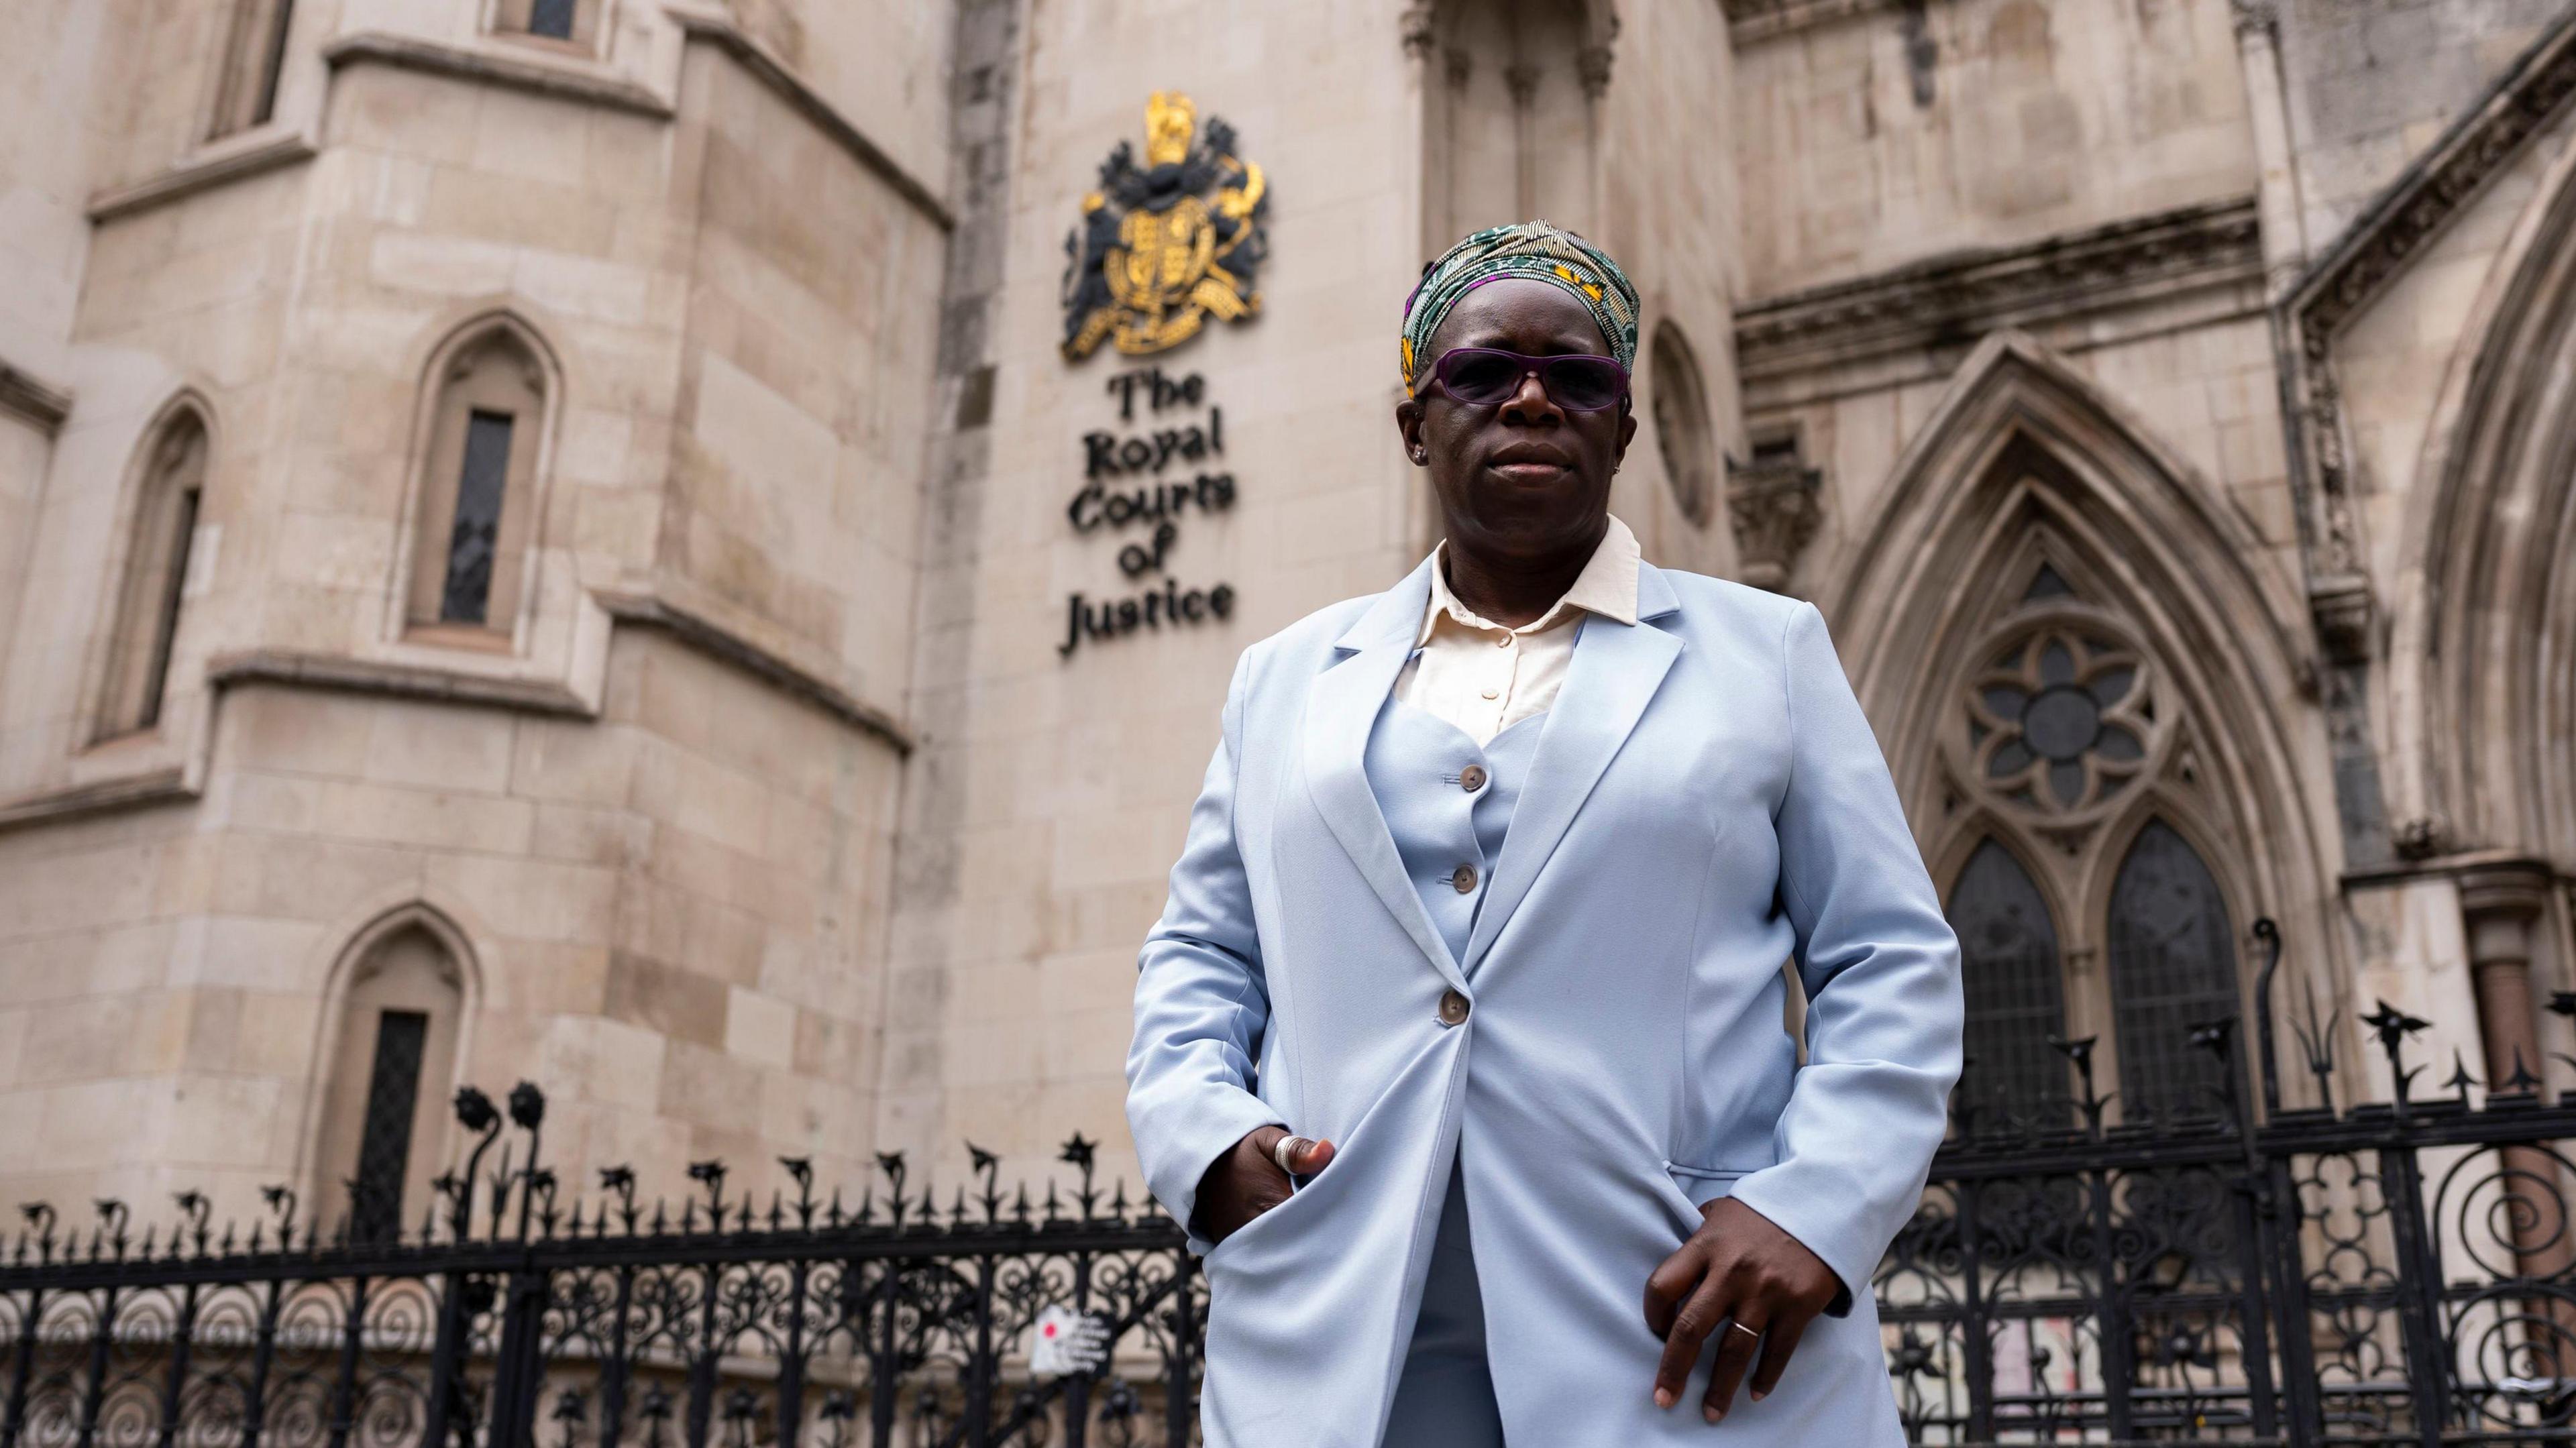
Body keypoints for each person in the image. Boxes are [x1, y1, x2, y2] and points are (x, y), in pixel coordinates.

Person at [1125, 221, 1963, 1447]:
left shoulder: (1766, 655)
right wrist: (1210, 1149)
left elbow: (1888, 957)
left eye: (1580, 378)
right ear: (1417, 423)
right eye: (1481, 374)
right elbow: (1200, 956)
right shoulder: (1283, 681)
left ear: (1622, 429)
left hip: (1670, 1326)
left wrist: (1813, 1209)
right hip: (1342, 1330)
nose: (1531, 399)